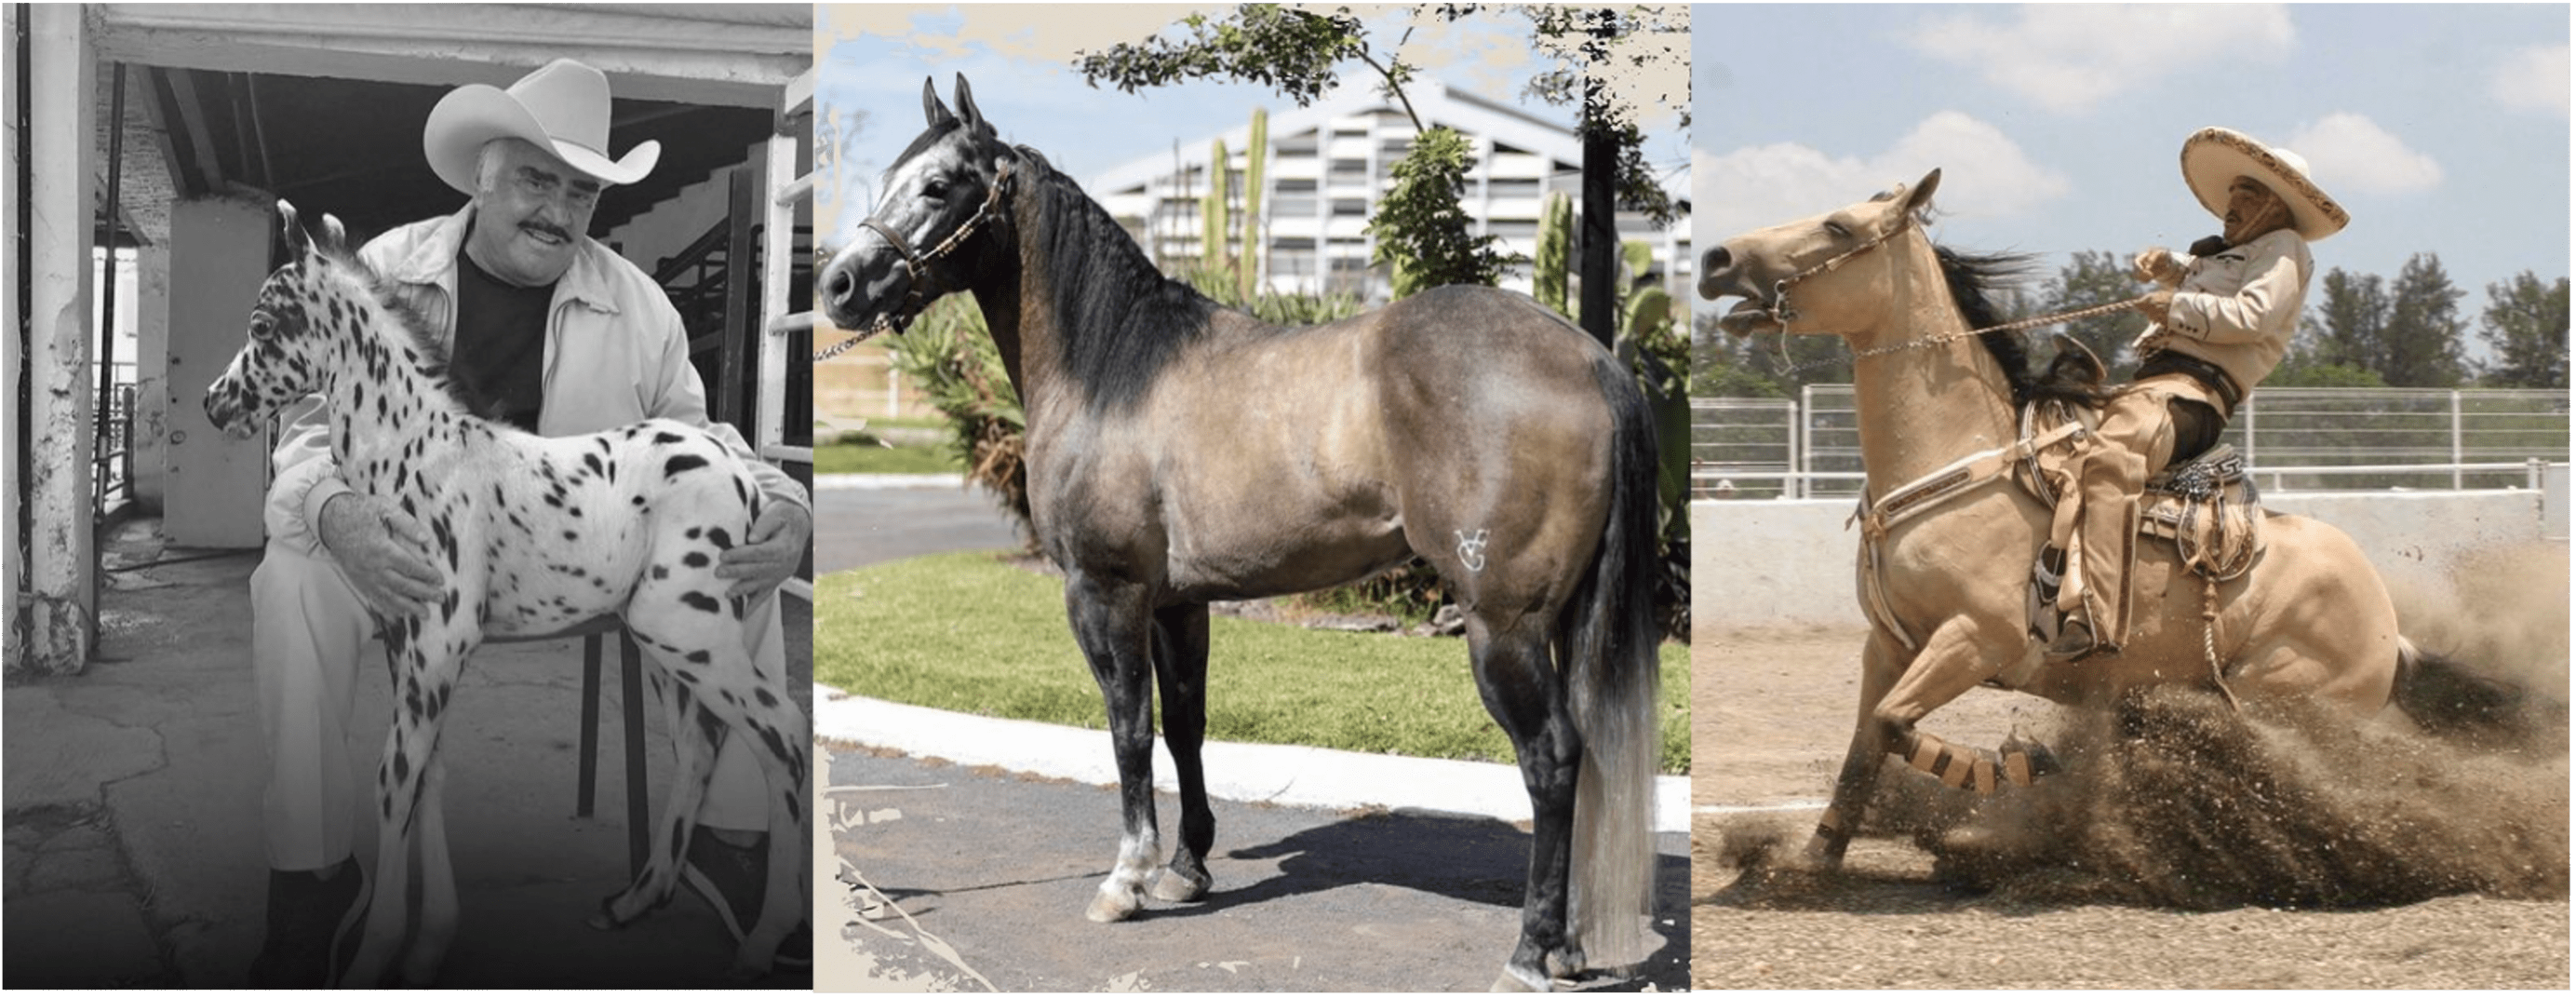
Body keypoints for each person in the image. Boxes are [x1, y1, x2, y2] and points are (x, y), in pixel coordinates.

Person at [244, 59, 812, 984]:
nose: (556, 209)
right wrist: (333, 507)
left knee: (737, 550)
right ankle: (312, 871)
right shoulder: (384, 271)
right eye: (534, 180)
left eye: (579, 190)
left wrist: (784, 503)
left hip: (578, 555)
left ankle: (732, 842)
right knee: (293, 574)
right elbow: (305, 433)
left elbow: (700, 438)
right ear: (482, 175)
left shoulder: (641, 305)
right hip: (403, 551)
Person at [2044, 127, 2348, 661]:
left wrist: (2174, 306)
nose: (2232, 204)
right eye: (2233, 194)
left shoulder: (2285, 250)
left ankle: (2095, 614)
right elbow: (2205, 271)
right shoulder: (2239, 253)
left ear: (2275, 207)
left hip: (2192, 397)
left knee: (2112, 458)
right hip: (2154, 389)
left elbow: (2252, 316)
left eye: (2248, 196)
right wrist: (2168, 266)